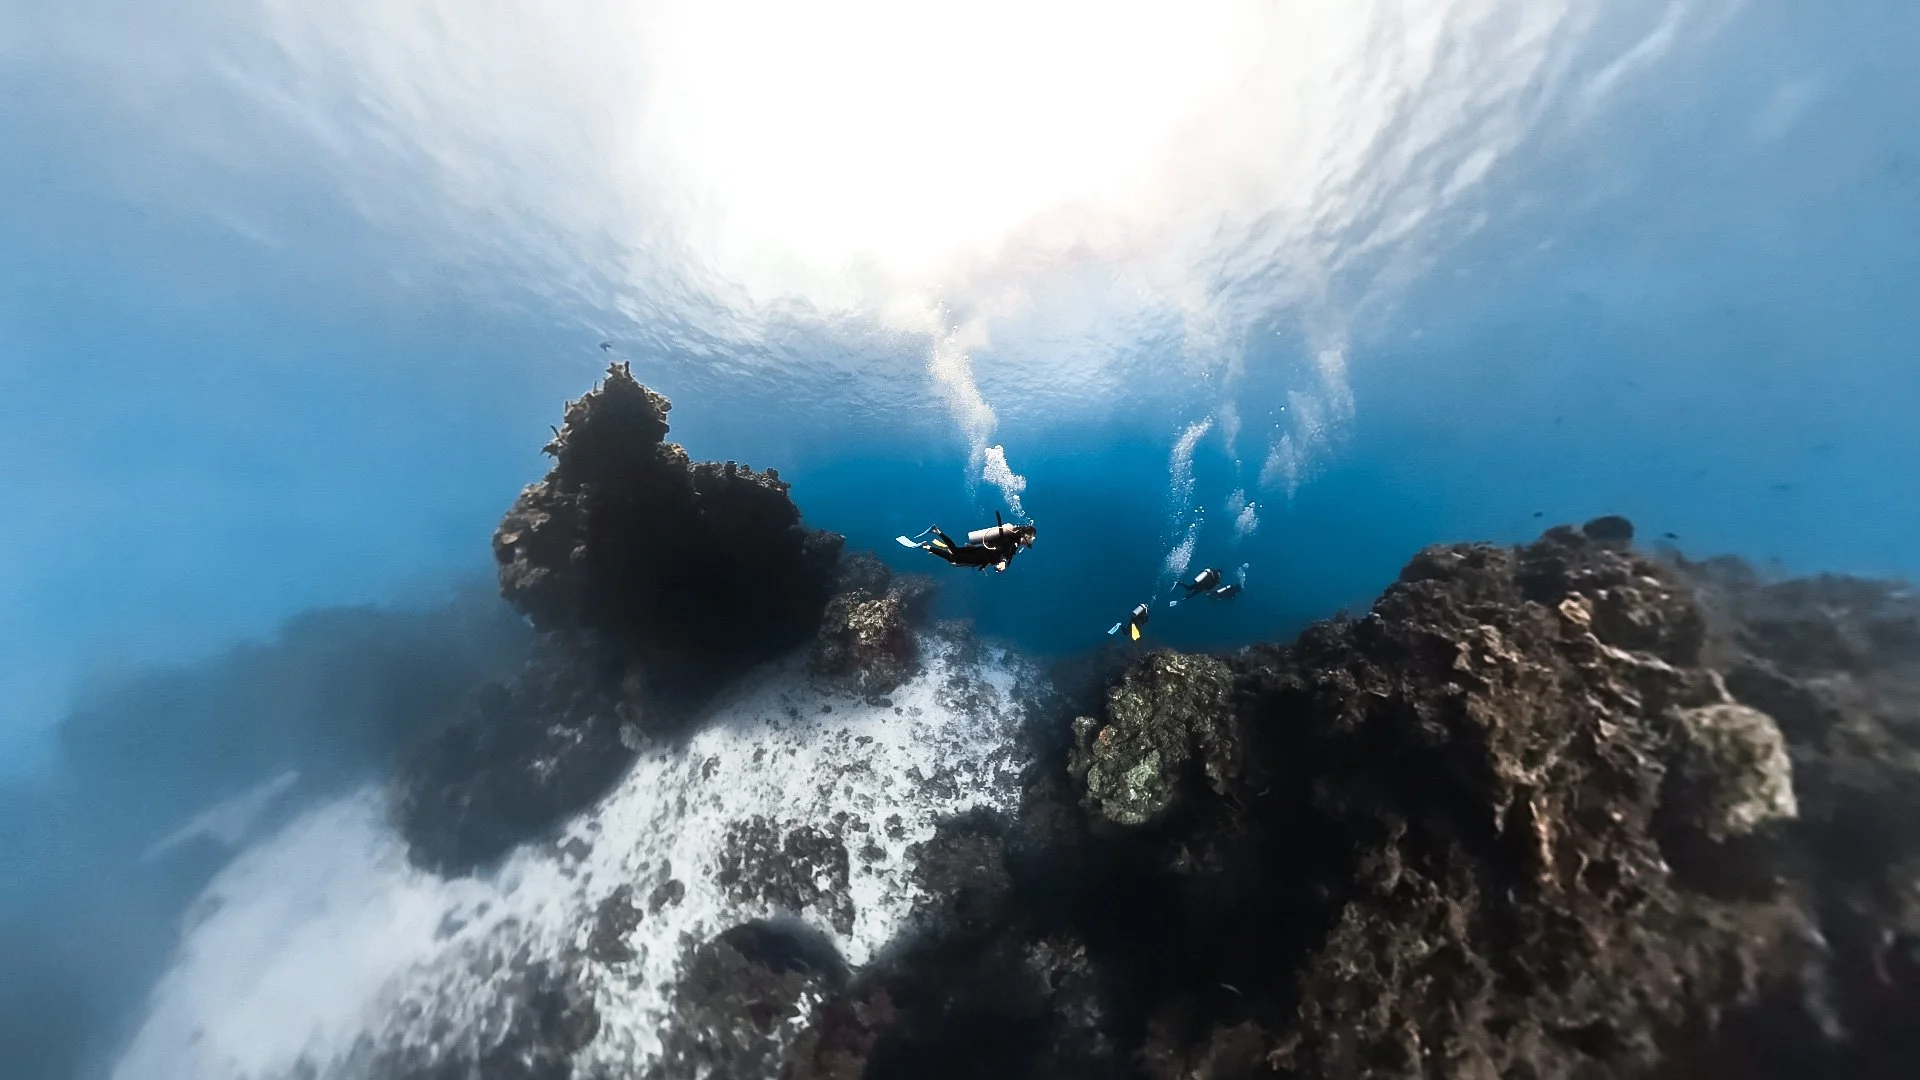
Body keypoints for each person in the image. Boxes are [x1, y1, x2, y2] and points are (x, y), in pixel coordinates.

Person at [897, 513, 1036, 573]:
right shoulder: (1013, 541)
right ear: (1026, 535)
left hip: (981, 550)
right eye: (1032, 538)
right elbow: (1004, 549)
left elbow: (1005, 549)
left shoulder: (1013, 539)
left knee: (955, 551)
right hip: (982, 556)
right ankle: (926, 546)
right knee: (953, 559)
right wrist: (1004, 562)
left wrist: (1004, 562)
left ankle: (937, 531)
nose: (1032, 540)